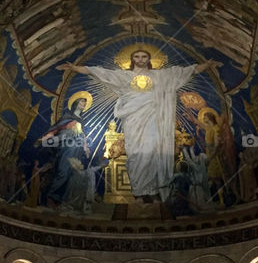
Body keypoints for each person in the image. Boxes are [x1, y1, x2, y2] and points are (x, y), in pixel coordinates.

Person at [61, 50, 213, 200]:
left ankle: (153, 190)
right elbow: (100, 73)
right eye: (137, 57)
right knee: (135, 152)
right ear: (132, 59)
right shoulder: (125, 76)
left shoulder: (161, 76)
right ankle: (139, 190)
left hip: (154, 119)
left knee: (153, 149)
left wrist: (206, 65)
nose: (140, 59)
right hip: (133, 120)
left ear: (149, 58)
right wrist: (76, 68)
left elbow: (185, 72)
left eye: (144, 56)